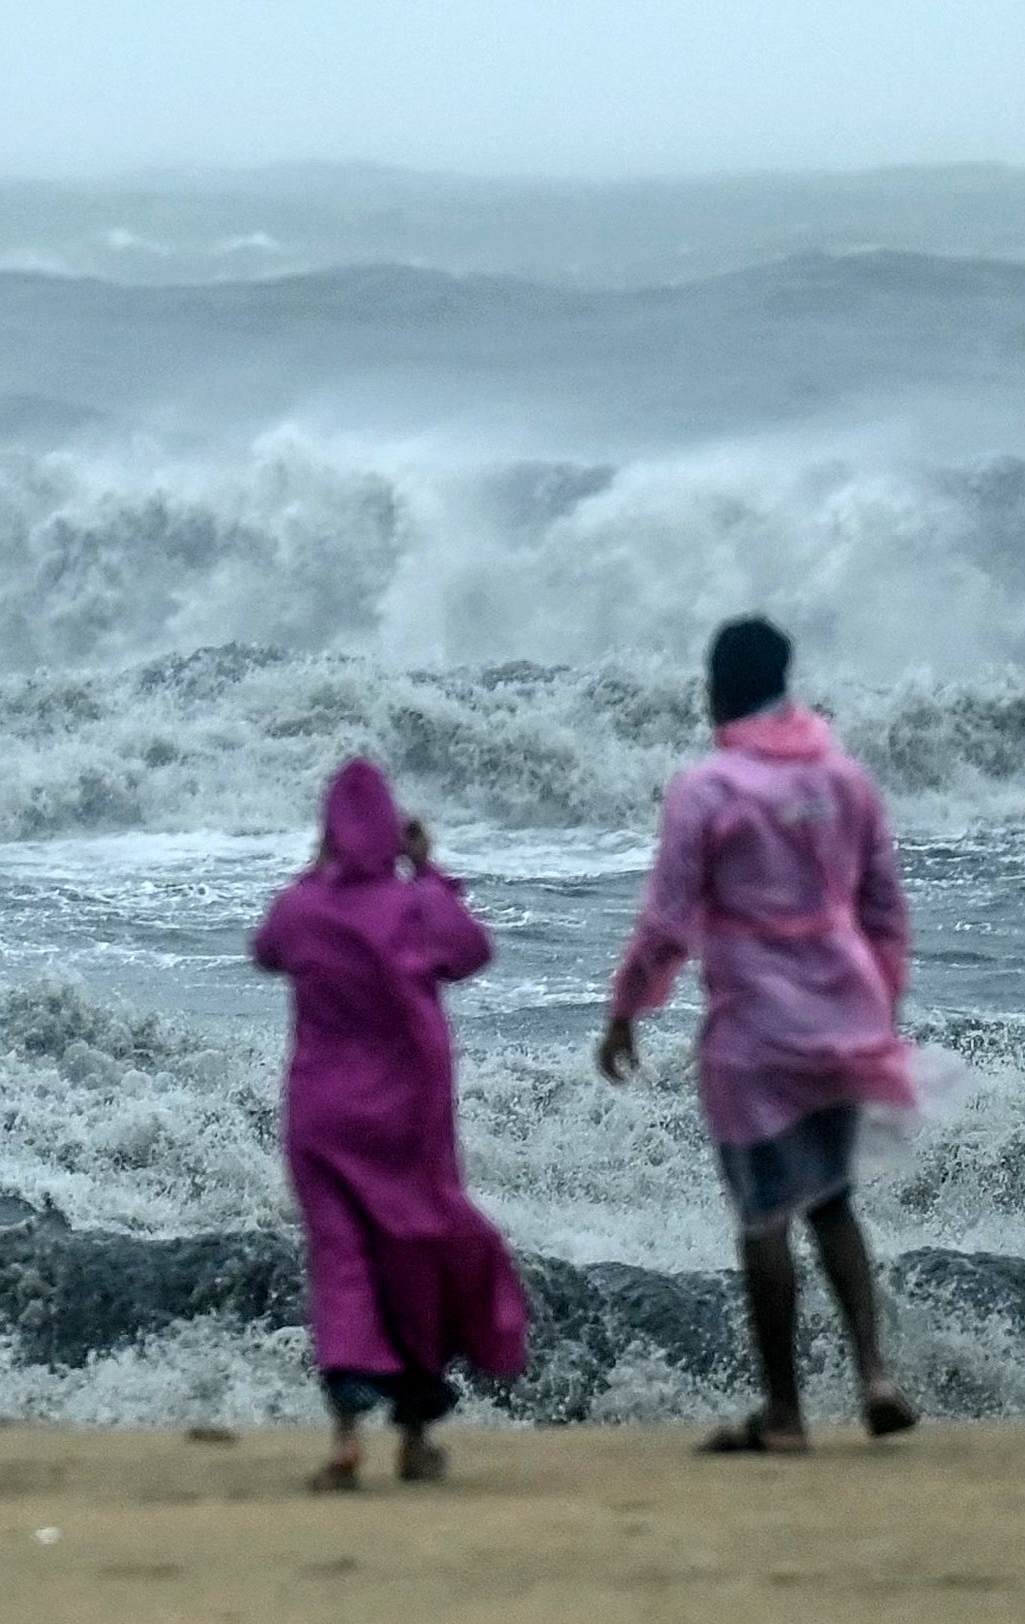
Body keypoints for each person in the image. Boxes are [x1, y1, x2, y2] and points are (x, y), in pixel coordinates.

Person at [598, 615, 922, 1454]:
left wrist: (627, 1009)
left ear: (715, 690)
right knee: (834, 1203)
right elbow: (884, 909)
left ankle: (783, 1415)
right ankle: (875, 1376)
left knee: (765, 1216)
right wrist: (878, 1011)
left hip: (755, 1032)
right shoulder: (845, 780)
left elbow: (667, 922)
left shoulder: (708, 789)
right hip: (844, 1016)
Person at [252, 758, 529, 1490]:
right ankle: (412, 1437)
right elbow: (471, 952)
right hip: (407, 1120)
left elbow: (266, 950)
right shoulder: (416, 908)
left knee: (340, 1261)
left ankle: (346, 1432)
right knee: (413, 1262)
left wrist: (320, 872)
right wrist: (427, 868)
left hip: (321, 1117)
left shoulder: (303, 909)